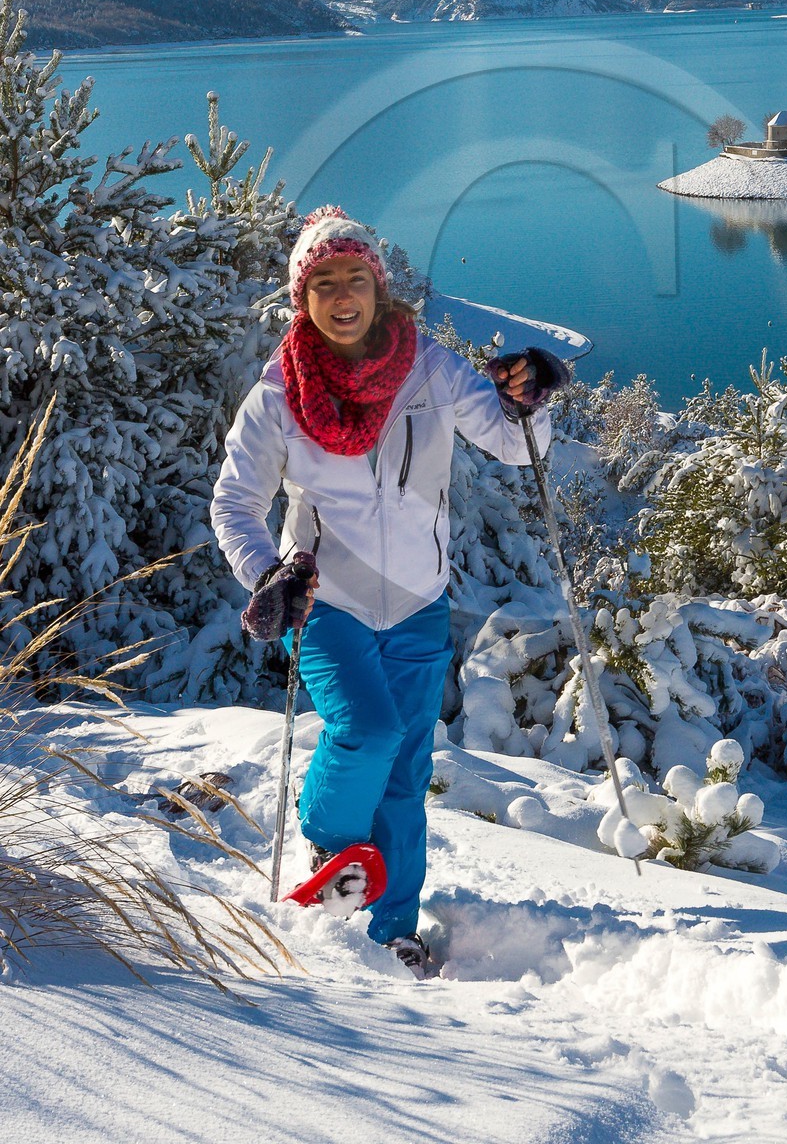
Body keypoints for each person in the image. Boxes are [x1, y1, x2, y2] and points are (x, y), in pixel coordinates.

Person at [210, 207, 567, 976]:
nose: (343, 295)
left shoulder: (429, 368)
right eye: (324, 283)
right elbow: (234, 501)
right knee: (367, 733)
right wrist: (265, 575)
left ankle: (389, 931)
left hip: (417, 597)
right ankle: (328, 840)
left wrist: (532, 399)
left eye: (356, 278)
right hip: (324, 595)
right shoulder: (279, 393)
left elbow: (514, 446)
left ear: (379, 285)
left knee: (405, 770)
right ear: (301, 299)